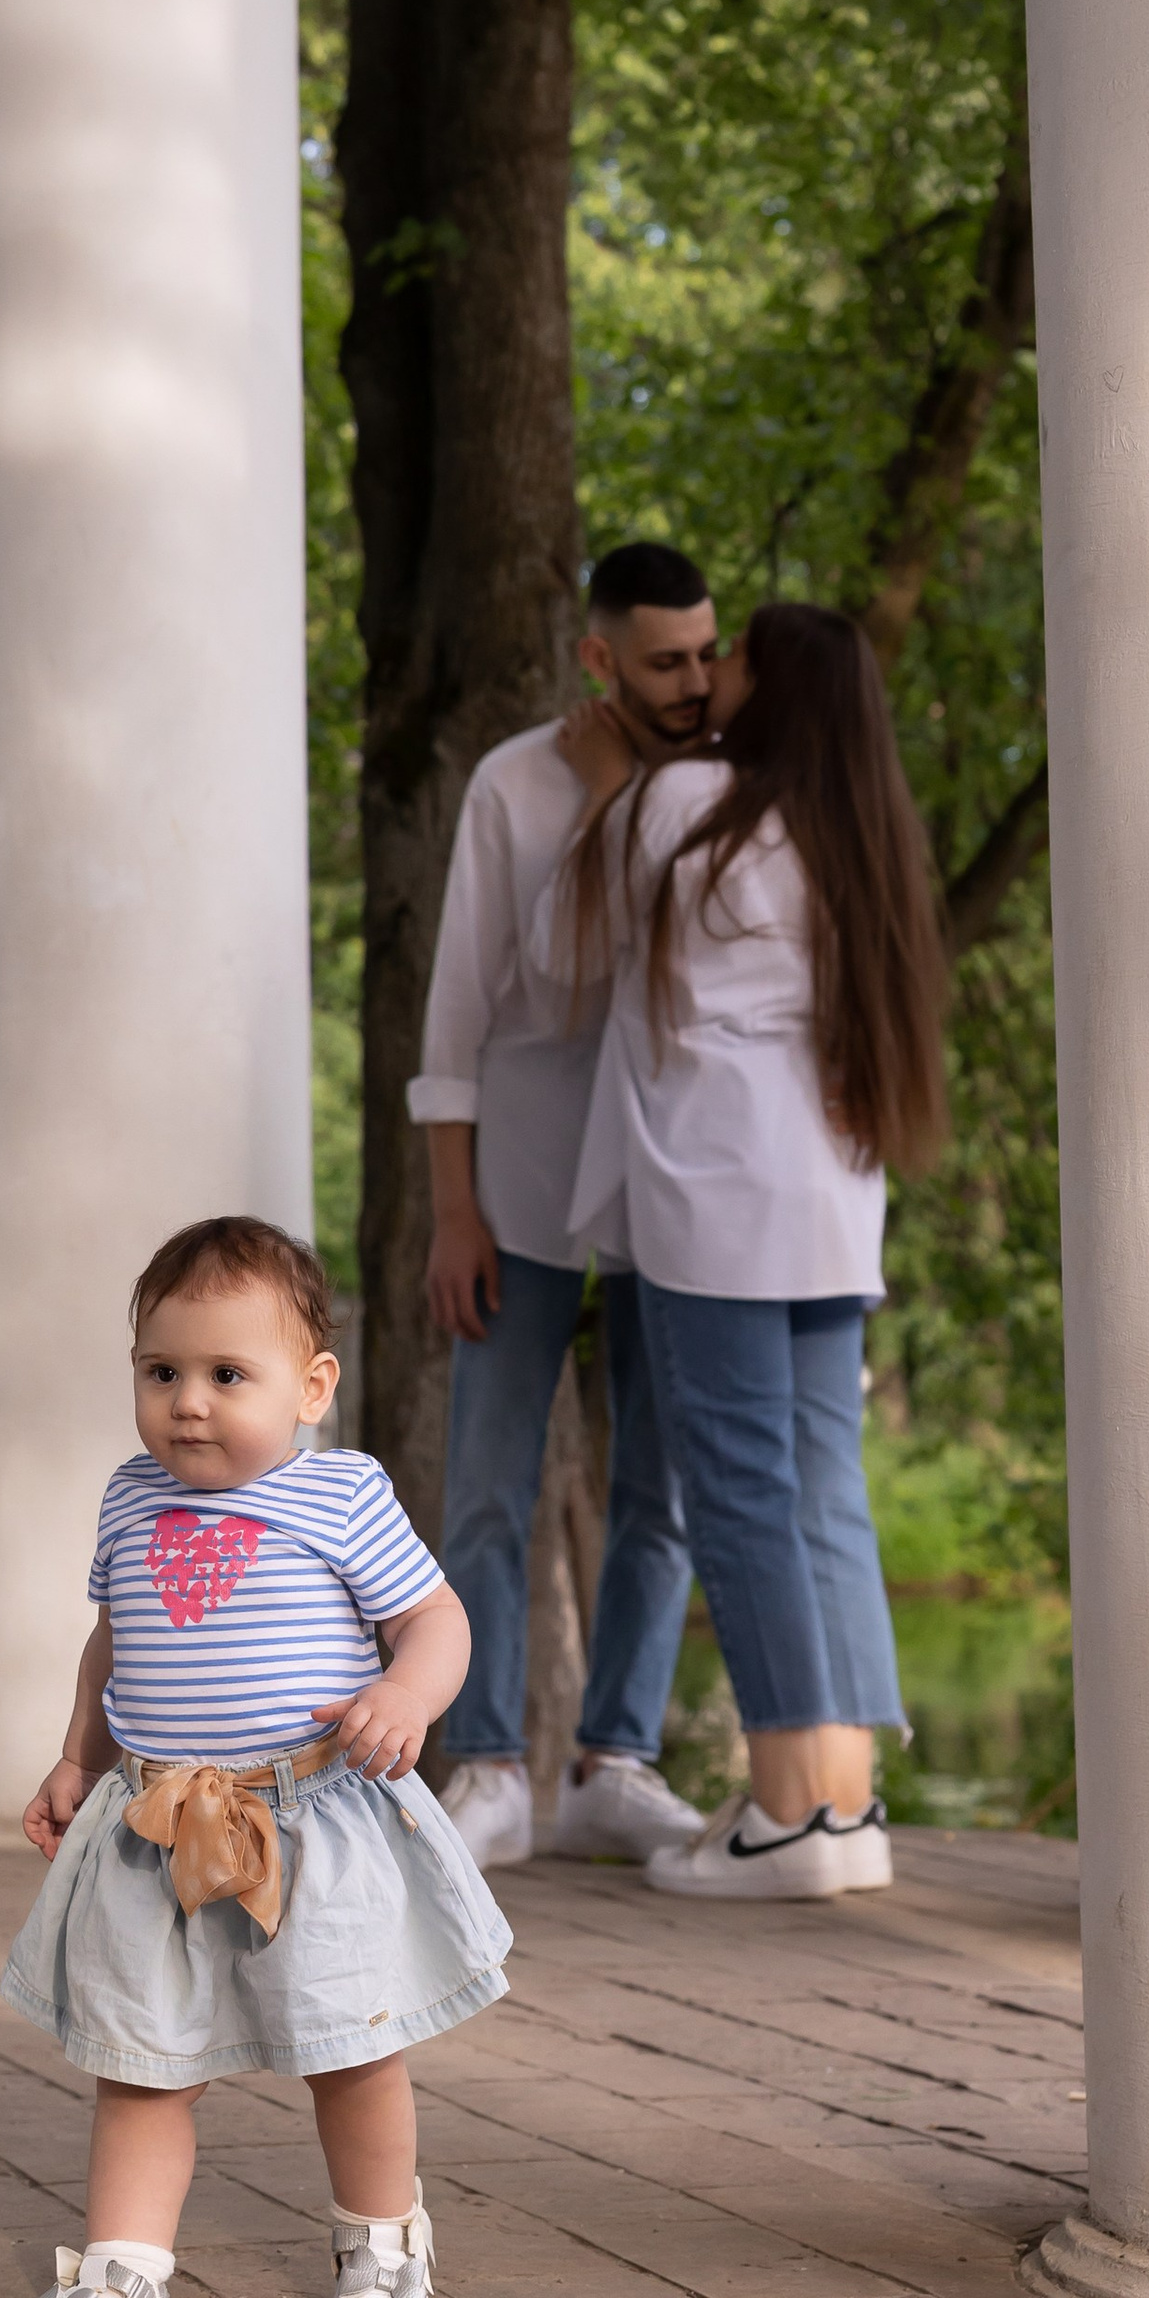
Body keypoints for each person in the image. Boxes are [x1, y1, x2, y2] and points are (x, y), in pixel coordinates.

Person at [0, 1215, 511, 2298]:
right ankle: (124, 2283)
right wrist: (77, 1756)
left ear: (310, 1387)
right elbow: (112, 1641)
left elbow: (435, 1617)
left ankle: (382, 2246)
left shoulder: (339, 1495)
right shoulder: (129, 1499)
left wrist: (407, 1694)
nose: (188, 1402)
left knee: (349, 2046)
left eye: (228, 1375)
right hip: (155, 1827)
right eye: (161, 1371)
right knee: (139, 2059)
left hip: (312, 1820)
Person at [540, 599, 950, 1898]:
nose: (709, 677)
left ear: (768, 696)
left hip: (719, 1198)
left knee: (737, 1485)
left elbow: (568, 949)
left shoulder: (688, 803)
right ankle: (844, 1804)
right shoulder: (856, 832)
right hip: (833, 1191)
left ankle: (782, 1814)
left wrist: (609, 788)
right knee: (824, 1485)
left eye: (733, 662)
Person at [411, 539, 716, 1873]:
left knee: (669, 1484)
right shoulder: (512, 784)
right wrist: (451, 1209)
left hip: (674, 1181)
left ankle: (617, 1759)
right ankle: (483, 1762)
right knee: (488, 1481)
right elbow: (467, 1005)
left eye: (707, 653)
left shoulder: (726, 786)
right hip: (524, 1175)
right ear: (598, 659)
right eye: (665, 660)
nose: (696, 681)